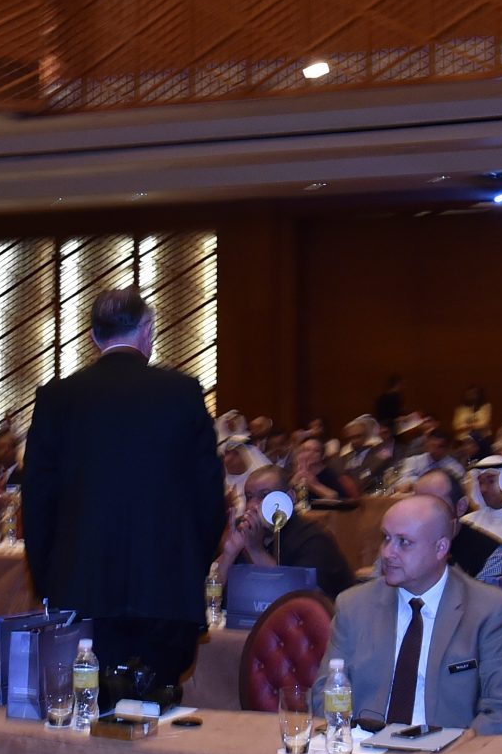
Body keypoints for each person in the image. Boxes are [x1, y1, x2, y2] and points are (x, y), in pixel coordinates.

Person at [21, 290, 223, 682]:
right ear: (148, 330)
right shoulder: (182, 393)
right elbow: (209, 500)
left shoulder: (58, 399)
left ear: (94, 337)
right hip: (166, 593)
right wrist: (188, 567)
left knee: (87, 704)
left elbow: (38, 503)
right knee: (158, 705)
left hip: (81, 590)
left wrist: (51, 583)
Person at [327, 494, 502, 735]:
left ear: (440, 548)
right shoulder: (354, 605)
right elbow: (324, 692)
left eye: (404, 542)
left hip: (450, 749)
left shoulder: (490, 610)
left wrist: (455, 751)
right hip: (363, 746)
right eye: (386, 538)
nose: (388, 552)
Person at [215, 463, 353, 602]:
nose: (252, 505)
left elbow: (297, 599)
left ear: (290, 497)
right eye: (249, 497)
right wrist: (229, 553)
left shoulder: (314, 538)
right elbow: (213, 595)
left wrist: (256, 550)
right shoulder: (244, 530)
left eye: (264, 495)